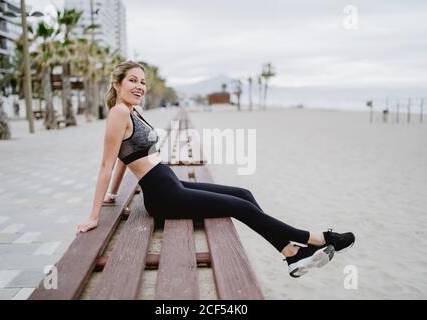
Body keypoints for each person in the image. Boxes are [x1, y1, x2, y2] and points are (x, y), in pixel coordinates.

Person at [76, 61, 355, 278]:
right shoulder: (119, 113)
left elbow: (125, 157)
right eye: (132, 81)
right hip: (164, 197)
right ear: (117, 83)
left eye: (142, 82)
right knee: (241, 208)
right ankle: (315, 238)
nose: (139, 86)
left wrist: (113, 193)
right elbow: (107, 163)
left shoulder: (131, 111)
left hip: (170, 184)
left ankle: (290, 252)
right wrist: (94, 215)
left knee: (243, 194)